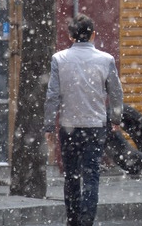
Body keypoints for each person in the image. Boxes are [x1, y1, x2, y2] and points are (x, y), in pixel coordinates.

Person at [44, 13, 124, 226]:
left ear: (71, 36)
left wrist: (49, 124)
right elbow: (115, 93)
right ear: (93, 35)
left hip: (69, 126)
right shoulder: (106, 60)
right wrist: (116, 118)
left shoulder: (59, 59)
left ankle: (73, 220)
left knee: (71, 176)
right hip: (95, 126)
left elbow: (52, 94)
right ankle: (87, 220)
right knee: (91, 176)